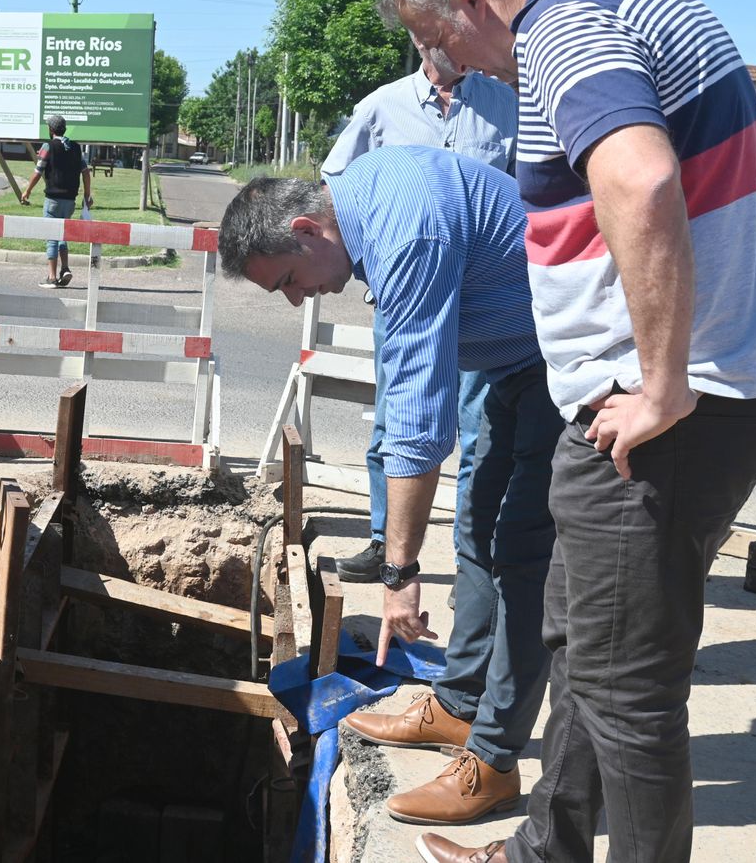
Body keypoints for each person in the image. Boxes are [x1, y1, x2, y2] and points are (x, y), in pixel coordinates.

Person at [380, 0, 756, 863]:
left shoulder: (563, 27)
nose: (453, 68)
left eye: (440, 42)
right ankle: (545, 852)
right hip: (670, 398)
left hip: (666, 410)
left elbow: (643, 182)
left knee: (626, 694)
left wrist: (660, 385)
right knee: (585, 651)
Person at [219, 149, 560, 826]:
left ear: (309, 229)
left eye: (289, 279)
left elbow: (414, 411)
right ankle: (459, 707)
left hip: (562, 371)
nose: (296, 298)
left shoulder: (407, 228)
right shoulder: (368, 208)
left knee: (520, 558)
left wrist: (399, 569)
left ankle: (492, 762)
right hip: (515, 369)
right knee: (477, 533)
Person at [322, 44, 516, 584]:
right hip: (405, 294)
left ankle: (471, 562)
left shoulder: (506, 105)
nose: (459, 52)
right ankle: (387, 543)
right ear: (423, 42)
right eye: (444, 40)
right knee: (395, 422)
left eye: (463, 40)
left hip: (478, 298)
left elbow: (527, 192)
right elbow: (331, 189)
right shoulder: (381, 108)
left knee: (480, 434)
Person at [19, 113, 92, 288]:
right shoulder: (75, 147)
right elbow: (85, 172)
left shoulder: (48, 146)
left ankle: (51, 277)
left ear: (51, 129)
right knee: (63, 234)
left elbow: (38, 171)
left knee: (51, 235)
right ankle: (65, 268)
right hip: (70, 200)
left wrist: (27, 191)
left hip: (53, 199)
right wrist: (87, 196)